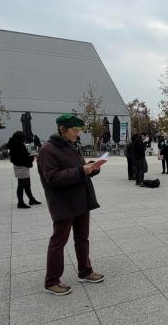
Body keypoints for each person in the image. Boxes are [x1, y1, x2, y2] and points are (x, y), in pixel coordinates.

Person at [37, 114, 104, 296]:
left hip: (81, 200)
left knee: (82, 238)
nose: (77, 134)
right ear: (62, 129)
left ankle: (85, 271)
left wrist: (91, 169)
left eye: (79, 130)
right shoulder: (48, 150)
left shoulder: (72, 146)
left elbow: (79, 171)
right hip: (63, 203)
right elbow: (52, 177)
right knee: (58, 242)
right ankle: (51, 282)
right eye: (75, 130)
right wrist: (79, 170)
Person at [7, 131, 41, 209]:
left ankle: (31, 199)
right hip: (22, 167)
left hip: (21, 167)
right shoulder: (18, 146)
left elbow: (27, 155)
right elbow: (27, 156)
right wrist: (31, 147)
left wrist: (30, 148)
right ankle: (20, 202)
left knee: (27, 184)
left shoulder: (15, 145)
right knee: (22, 185)